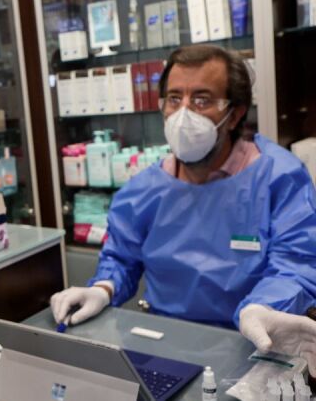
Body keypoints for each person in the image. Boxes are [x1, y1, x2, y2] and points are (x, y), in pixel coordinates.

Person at [51, 45, 316, 371]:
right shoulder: (143, 190)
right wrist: (103, 288)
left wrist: (263, 307)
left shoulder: (279, 177)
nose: (183, 114)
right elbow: (121, 259)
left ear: (234, 114)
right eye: (174, 99)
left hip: (254, 345)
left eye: (201, 100)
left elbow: (296, 263)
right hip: (165, 345)